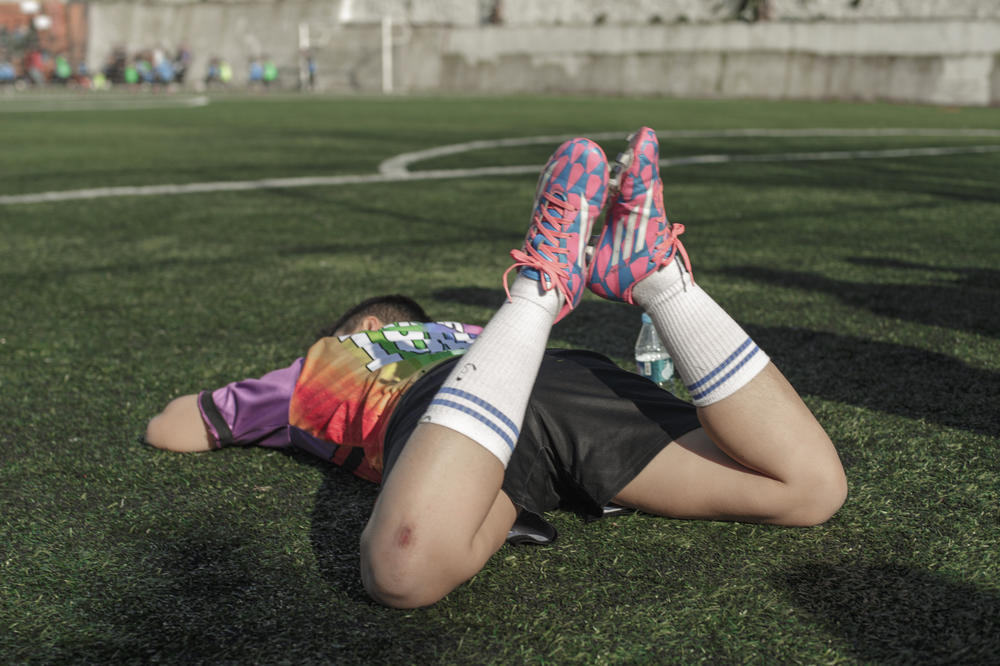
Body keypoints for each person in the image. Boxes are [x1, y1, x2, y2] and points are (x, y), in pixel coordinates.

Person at [146, 128, 847, 609]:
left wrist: (282, 391)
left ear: (365, 328)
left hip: (445, 401)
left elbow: (177, 427)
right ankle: (657, 276)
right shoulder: (486, 339)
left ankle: (542, 288)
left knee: (403, 570)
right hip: (560, 376)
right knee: (809, 490)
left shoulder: (332, 361)